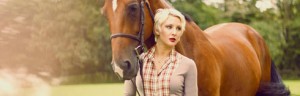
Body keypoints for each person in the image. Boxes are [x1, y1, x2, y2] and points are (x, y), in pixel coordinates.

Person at [124, 8, 198, 96]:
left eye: (178, 28)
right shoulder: (138, 62)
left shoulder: (188, 64)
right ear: (157, 30)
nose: (174, 32)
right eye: (169, 27)